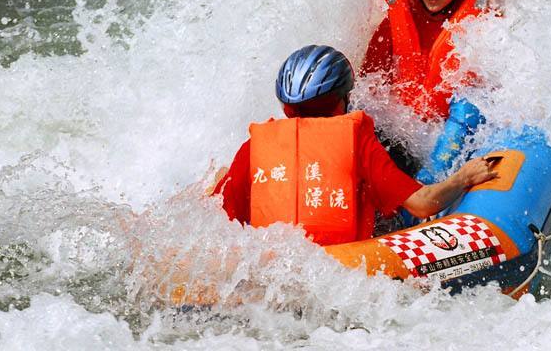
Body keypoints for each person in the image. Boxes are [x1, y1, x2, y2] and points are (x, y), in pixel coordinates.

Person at [210, 45, 497, 246]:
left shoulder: (255, 147)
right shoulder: (355, 139)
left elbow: (217, 220)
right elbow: (424, 204)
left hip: (278, 270)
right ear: (343, 100)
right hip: (348, 266)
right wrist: (464, 176)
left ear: (285, 106)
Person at [360, 0, 496, 122]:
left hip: (458, 124)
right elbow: (367, 89)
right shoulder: (391, 23)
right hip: (404, 127)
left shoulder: (484, 22)